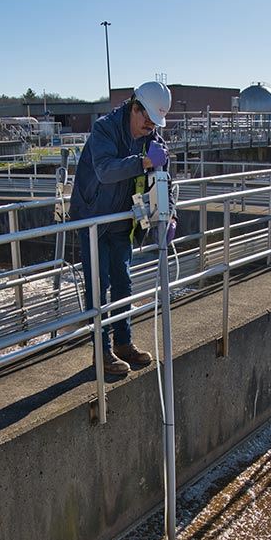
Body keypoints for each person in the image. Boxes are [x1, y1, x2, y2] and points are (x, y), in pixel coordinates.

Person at [69, 81, 175, 375]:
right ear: (135, 107)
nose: (151, 127)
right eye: (148, 119)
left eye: (156, 122)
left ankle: (123, 343)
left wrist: (171, 215)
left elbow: (166, 181)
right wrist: (143, 162)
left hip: (122, 219)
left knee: (123, 282)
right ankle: (101, 352)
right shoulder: (105, 128)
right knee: (98, 285)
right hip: (92, 219)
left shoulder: (153, 140)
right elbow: (104, 170)